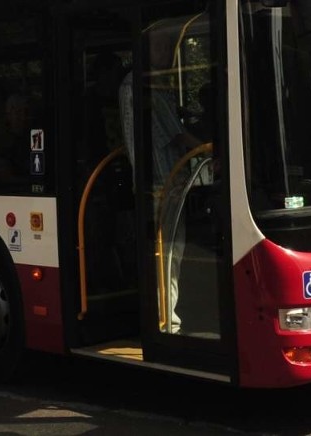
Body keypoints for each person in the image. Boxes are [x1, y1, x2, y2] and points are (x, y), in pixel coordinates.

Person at [119, 25, 201, 334]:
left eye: (170, 47)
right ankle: (166, 324)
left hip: (165, 181)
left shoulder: (151, 85)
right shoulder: (141, 86)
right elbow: (178, 135)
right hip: (159, 184)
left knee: (169, 254)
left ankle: (166, 318)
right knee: (167, 255)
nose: (167, 54)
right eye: (160, 47)